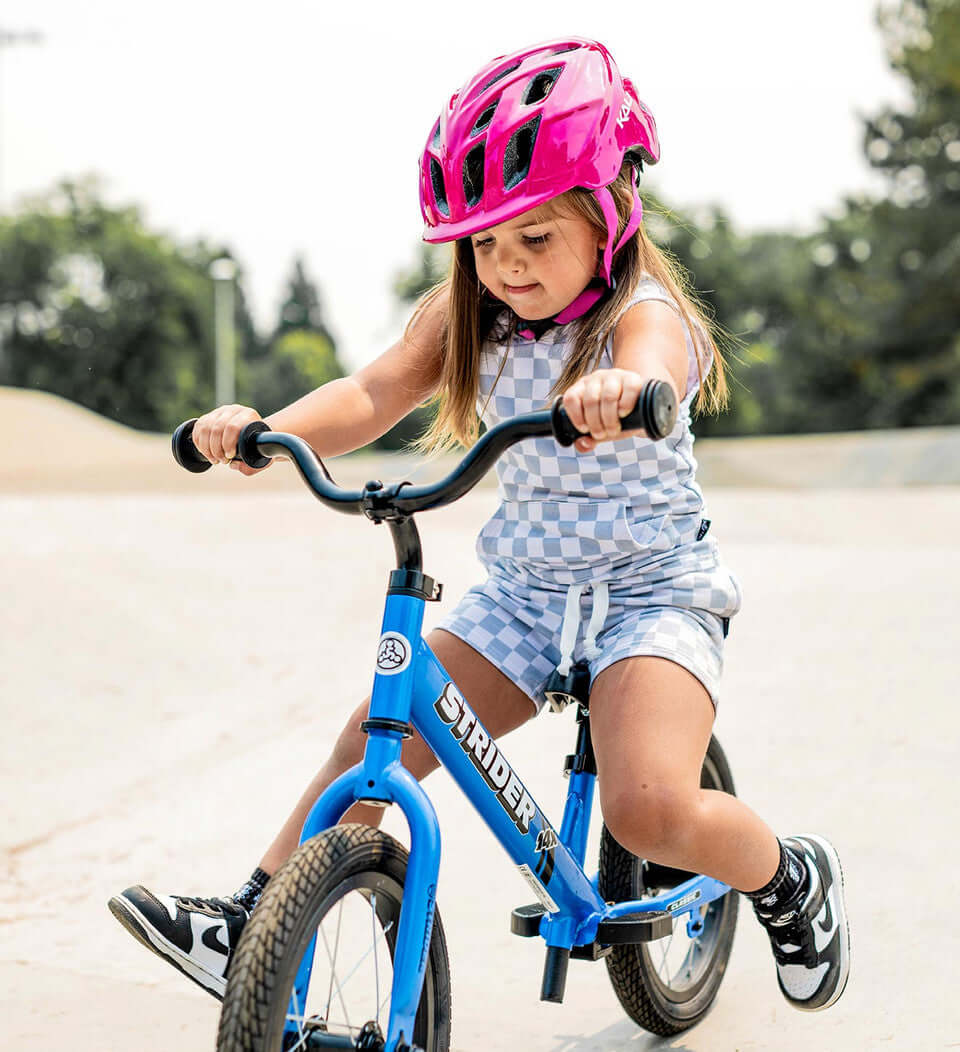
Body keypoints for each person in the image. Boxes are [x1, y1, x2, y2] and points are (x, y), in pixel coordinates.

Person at [109, 37, 849, 1016]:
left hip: (650, 593)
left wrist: (629, 386)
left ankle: (789, 876)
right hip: (526, 597)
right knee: (376, 730)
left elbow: (660, 357)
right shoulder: (468, 316)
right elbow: (371, 391)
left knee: (649, 807)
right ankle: (251, 918)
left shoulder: (640, 308)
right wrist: (264, 430)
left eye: (535, 238)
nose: (507, 267)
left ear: (611, 212)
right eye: (486, 244)